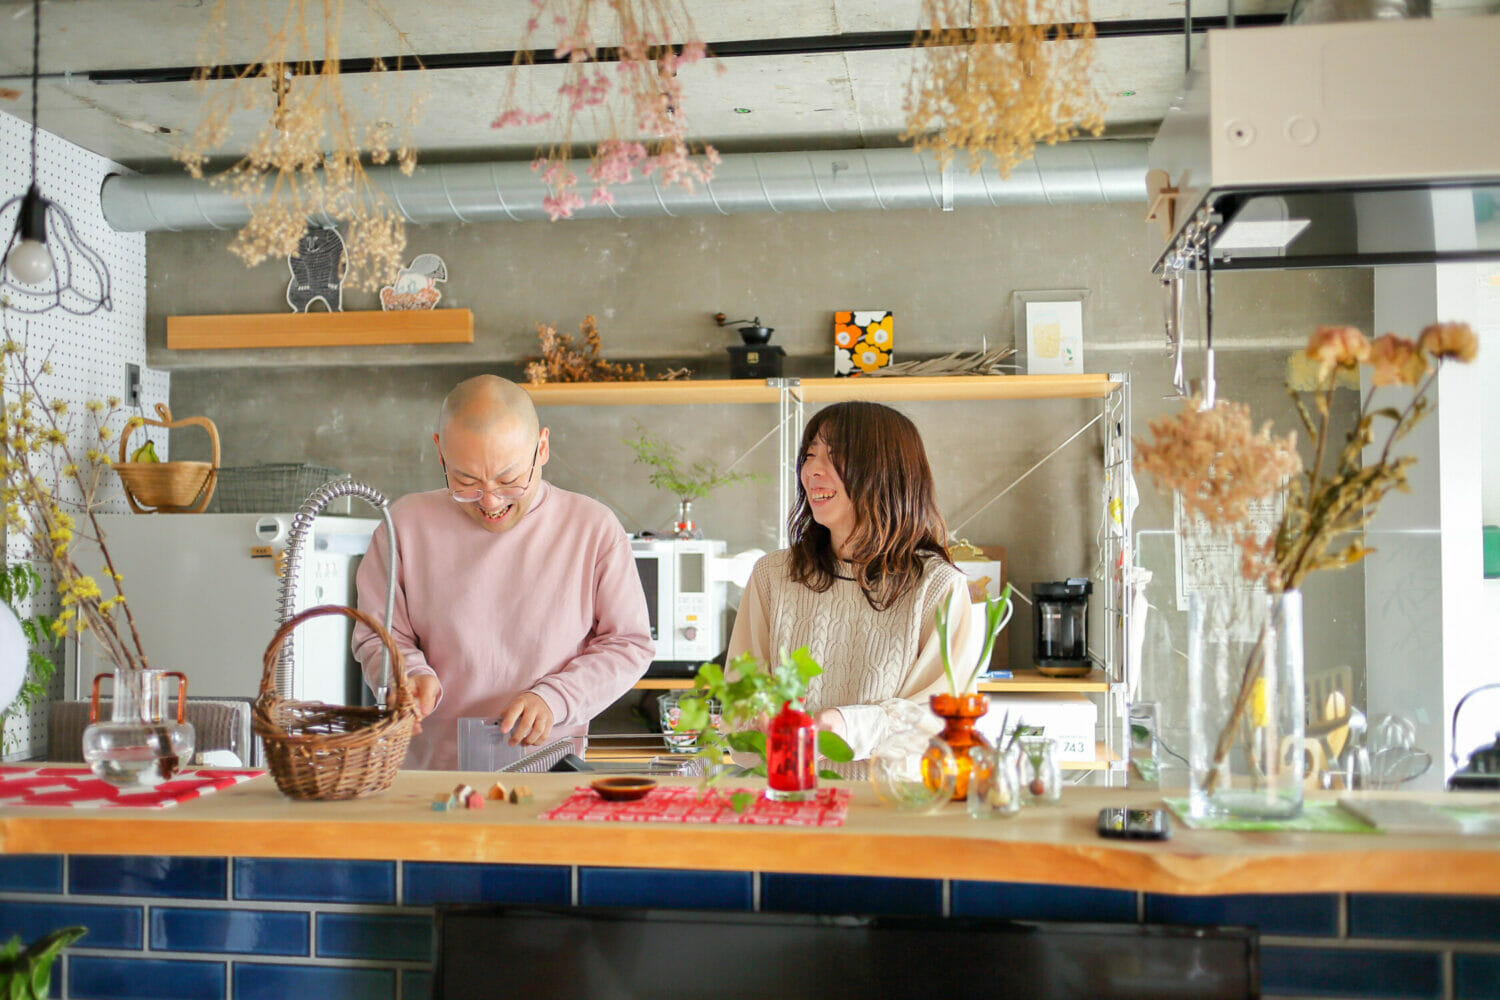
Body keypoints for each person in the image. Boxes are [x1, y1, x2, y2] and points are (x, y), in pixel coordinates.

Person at [351, 374, 653, 770]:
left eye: (510, 481)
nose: (490, 501)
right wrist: (406, 675)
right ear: (440, 452)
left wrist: (555, 698)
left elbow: (628, 643)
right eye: (466, 481)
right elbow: (379, 636)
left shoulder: (592, 527)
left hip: (547, 772)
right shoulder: (404, 526)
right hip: (429, 776)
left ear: (541, 448)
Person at [726, 401, 978, 773]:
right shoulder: (772, 576)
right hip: (792, 805)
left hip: (890, 813)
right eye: (809, 455)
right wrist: (758, 716)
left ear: (886, 470)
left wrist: (845, 726)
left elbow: (943, 723)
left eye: (834, 455)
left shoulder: (938, 587)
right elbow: (739, 703)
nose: (811, 469)